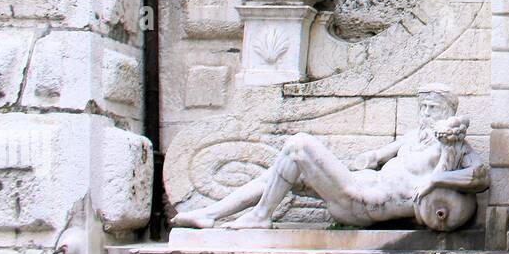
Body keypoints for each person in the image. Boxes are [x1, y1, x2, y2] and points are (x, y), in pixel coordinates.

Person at [172, 86, 488, 231]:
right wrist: (367, 156)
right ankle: (211, 213)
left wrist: (436, 178)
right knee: (284, 170)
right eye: (423, 107)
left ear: (450, 112)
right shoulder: (409, 138)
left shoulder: (454, 147)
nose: (426, 113)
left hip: (366, 202)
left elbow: (481, 177)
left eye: (433, 108)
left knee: (299, 145)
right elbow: (375, 155)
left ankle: (260, 217)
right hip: (360, 184)